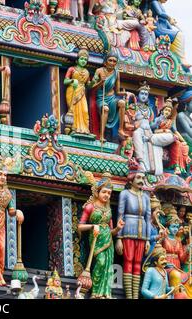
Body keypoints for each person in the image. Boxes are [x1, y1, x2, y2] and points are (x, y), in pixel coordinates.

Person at [78, 174, 125, 298]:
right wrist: (93, 226)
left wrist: (118, 228)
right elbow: (80, 226)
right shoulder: (90, 207)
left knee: (108, 266)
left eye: (109, 193)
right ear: (97, 192)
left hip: (107, 240)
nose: (106, 195)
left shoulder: (108, 209)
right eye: (104, 192)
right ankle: (96, 292)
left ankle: (106, 293)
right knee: (100, 262)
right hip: (96, 238)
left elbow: (111, 231)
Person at [116, 168, 151, 299]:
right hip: (128, 230)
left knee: (137, 262)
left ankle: (135, 296)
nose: (141, 181)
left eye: (143, 178)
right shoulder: (125, 194)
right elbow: (120, 214)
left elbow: (148, 217)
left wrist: (147, 239)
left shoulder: (146, 197)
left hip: (142, 232)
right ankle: (129, 295)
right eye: (138, 178)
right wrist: (119, 237)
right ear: (131, 180)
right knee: (128, 260)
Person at [90, 54, 130, 142]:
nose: (112, 63)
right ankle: (101, 135)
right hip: (102, 98)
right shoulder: (99, 71)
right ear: (105, 62)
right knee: (106, 109)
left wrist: (126, 93)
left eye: (114, 61)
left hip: (112, 98)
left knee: (122, 103)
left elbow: (117, 91)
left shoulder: (116, 73)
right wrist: (101, 82)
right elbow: (91, 88)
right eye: (110, 60)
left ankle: (120, 129)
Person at [64, 49, 91, 135]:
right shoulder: (72, 69)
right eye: (82, 59)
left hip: (82, 92)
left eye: (85, 60)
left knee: (85, 111)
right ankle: (74, 128)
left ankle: (84, 129)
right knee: (73, 110)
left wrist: (97, 81)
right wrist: (72, 81)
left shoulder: (87, 72)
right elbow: (65, 81)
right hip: (73, 90)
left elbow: (89, 85)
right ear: (77, 60)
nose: (83, 61)